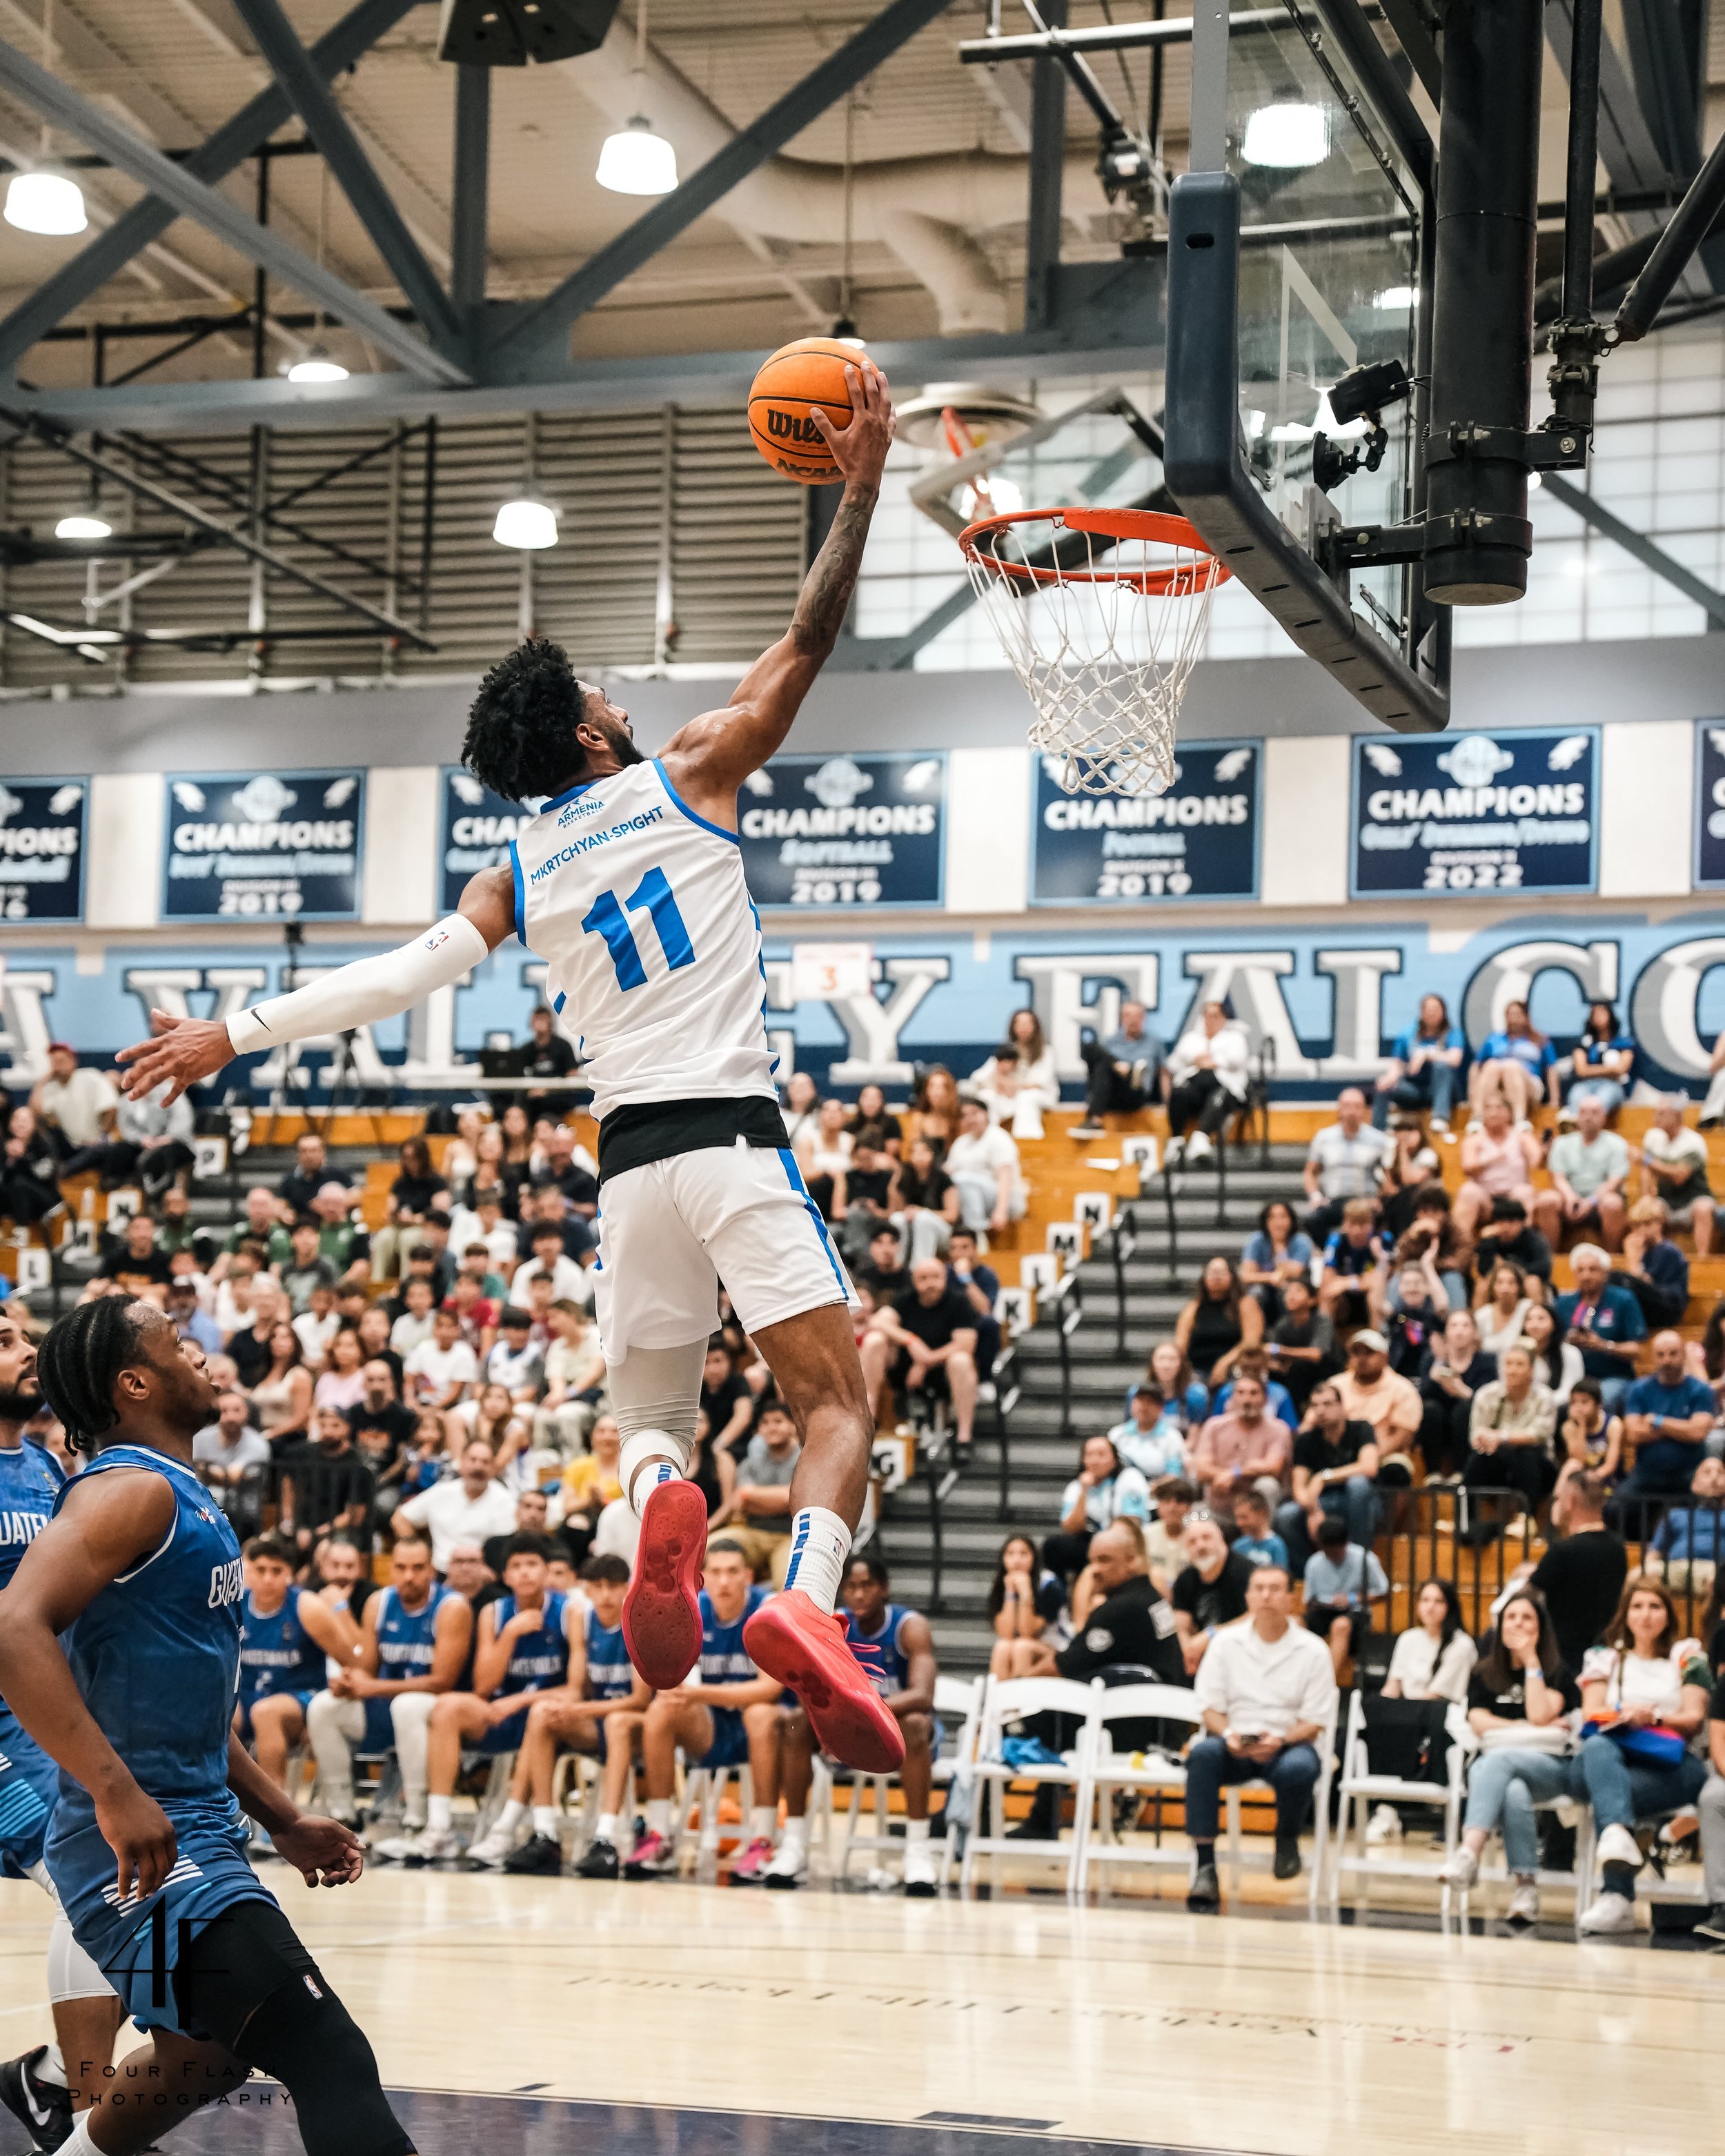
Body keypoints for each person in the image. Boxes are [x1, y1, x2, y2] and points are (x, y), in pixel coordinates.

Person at [118, 357, 900, 1775]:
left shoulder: (520, 864)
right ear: (597, 735)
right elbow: (810, 630)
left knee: (654, 1419)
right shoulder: (691, 767)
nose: (617, 691)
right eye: (605, 689)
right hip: (728, 1126)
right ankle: (801, 1591)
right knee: (836, 1406)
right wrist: (855, 485)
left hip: (623, 1169)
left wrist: (231, 1030)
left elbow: (407, 974)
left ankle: (662, 1491)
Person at [2, 1295, 415, 2156]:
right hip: (143, 1855)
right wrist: (114, 1792)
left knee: (209, 2056)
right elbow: (11, 1627)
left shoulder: (175, 1492)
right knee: (326, 2048)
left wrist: (284, 1817)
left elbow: (192, 1706)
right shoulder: (131, 1491)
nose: (203, 1359)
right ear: (136, 1381)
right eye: (179, 1348)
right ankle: (62, 2079)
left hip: (195, 1833)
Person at [0, 1307, 128, 2153]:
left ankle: (54, 2082)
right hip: (9, 1746)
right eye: (5, 1341)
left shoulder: (41, 1464)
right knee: (107, 1887)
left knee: (122, 1888)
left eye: (25, 1336)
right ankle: (77, 2102)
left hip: (52, 1728)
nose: (28, 1351)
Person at [373, 1532, 578, 1866]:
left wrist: (519, 1702)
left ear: (546, 1571)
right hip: (501, 1713)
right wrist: (510, 1633)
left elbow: (576, 1689)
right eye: (516, 1566)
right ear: (504, 1575)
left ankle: (504, 1832)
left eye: (533, 1565)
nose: (525, 1573)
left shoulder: (570, 1611)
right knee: (448, 1707)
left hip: (551, 1715)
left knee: (539, 1715)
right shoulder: (494, 1613)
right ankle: (438, 1829)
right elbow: (484, 1687)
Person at [771, 1555, 940, 1892]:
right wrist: (832, 1725)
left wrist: (866, 1714)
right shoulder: (832, 1624)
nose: (859, 1595)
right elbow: (810, 1688)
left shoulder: (910, 1627)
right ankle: (793, 1844)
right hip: (849, 1729)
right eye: (851, 1587)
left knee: (918, 1724)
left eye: (867, 1586)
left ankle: (918, 1849)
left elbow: (922, 1695)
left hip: (900, 1731)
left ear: (884, 1589)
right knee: (794, 1723)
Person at [624, 1540, 785, 1879]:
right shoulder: (692, 1610)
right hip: (713, 1727)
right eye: (715, 1572)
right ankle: (659, 1833)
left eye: (733, 1572)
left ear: (749, 1577)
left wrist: (700, 1693)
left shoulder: (768, 1609)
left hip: (768, 1729)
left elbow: (769, 1689)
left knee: (760, 1713)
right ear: (702, 1578)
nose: (724, 1581)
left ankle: (764, 1838)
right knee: (662, 1708)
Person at [1183, 1563, 1337, 1907]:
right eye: (1259, 1588)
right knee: (1203, 1755)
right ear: (1248, 1597)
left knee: (1299, 1768)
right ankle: (1205, 1865)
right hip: (1235, 1742)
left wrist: (1281, 1741)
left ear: (1291, 1598)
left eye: (1275, 1589)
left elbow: (1316, 1719)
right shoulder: (1225, 1644)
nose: (1266, 1595)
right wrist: (1229, 1735)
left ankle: (1287, 1837)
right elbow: (1208, 1706)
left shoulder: (1313, 1650)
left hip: (1288, 1743)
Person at [488, 1554, 649, 1879]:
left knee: (617, 1722)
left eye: (614, 1587)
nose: (606, 1595)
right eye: (598, 1587)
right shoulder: (582, 1621)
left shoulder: (640, 1621)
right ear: (586, 1589)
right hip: (597, 1722)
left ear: (628, 1589)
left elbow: (639, 1700)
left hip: (638, 1726)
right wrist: (569, 1707)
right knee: (543, 1714)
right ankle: (545, 1834)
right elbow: (577, 1688)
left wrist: (580, 1709)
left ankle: (606, 1838)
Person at [306, 1532, 472, 1839]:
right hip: (386, 1709)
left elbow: (442, 1681)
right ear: (391, 1569)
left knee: (407, 1705)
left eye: (418, 1568)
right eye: (402, 1568)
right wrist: (349, 1682)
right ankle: (344, 1812)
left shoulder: (452, 1608)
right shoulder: (378, 1603)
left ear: (432, 1570)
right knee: (323, 1707)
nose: (409, 1576)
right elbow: (366, 1669)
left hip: (435, 1714)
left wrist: (373, 1688)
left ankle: (417, 1814)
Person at [1570, 1575, 1711, 1934]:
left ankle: (1617, 1897)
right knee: (1599, 1747)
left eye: (1654, 1606)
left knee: (1608, 1793)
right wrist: (1624, 1714)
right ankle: (1619, 1854)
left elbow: (1694, 1718)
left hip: (1674, 1765)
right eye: (1637, 1606)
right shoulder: (1605, 1658)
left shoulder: (1687, 1656)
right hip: (1614, 1758)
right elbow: (1591, 1713)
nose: (1645, 1615)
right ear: (1625, 1614)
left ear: (1668, 1614)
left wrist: (1655, 1716)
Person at [1438, 1586, 1581, 1926]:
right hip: (1504, 1775)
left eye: (1527, 1618)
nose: (1518, 1624)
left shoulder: (1559, 1672)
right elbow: (1478, 1723)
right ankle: (1526, 1889)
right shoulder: (1483, 1673)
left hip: (1551, 1770)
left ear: (1540, 1628)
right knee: (1512, 1789)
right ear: (1500, 1627)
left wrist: (1532, 1662)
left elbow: (1536, 1714)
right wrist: (1530, 1729)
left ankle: (1469, 1851)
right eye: (1511, 1617)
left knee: (1496, 1761)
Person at [233, 1534, 360, 1807]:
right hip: (247, 1693)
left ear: (289, 1573)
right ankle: (219, 1806)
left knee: (266, 1712)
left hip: (300, 1697)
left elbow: (353, 1661)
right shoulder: (235, 1606)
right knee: (220, 1714)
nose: (268, 1579)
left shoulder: (307, 1607)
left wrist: (325, 1712)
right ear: (248, 1572)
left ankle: (276, 1809)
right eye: (261, 1570)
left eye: (276, 1571)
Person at [859, 1256, 980, 1451]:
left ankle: (964, 1437)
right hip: (905, 1369)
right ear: (915, 1281)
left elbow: (965, 1344)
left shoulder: (959, 1302)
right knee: (875, 1340)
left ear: (945, 1278)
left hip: (944, 1369)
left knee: (961, 1360)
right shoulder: (904, 1300)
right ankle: (868, 1419)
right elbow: (877, 1322)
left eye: (935, 1277)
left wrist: (926, 1361)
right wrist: (911, 1341)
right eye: (923, 1278)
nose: (930, 1283)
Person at [1617, 1327, 1719, 1527]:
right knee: (1615, 1510)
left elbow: (1698, 1433)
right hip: (1647, 1472)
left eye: (1673, 1354)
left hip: (1688, 1473)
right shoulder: (1638, 1389)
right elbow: (1634, 1434)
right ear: (1653, 1358)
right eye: (1661, 1355)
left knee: (1709, 1505)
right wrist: (1681, 1428)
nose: (1667, 1361)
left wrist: (1657, 1421)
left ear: (1683, 1355)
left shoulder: (1701, 1390)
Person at [1276, 1378, 1380, 1574]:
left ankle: (1361, 1562)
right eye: (1315, 1405)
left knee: (1358, 1485)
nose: (1321, 1411)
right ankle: (1307, 1574)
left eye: (1327, 1404)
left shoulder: (1361, 1429)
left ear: (1342, 1406)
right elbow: (1299, 1488)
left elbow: (1369, 1467)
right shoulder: (1306, 1440)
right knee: (1285, 1516)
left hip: (1361, 1502)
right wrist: (1312, 1510)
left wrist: (1323, 1477)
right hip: (1322, 1502)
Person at [706, 1401, 801, 1586]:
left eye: (778, 1421)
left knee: (788, 1582)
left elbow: (794, 1500)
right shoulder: (751, 1462)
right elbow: (740, 1501)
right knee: (707, 1548)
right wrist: (782, 1499)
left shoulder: (804, 1459)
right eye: (765, 1423)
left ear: (793, 1426)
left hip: (789, 1536)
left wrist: (755, 1498)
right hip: (752, 1532)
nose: (771, 1427)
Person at [391, 1437, 518, 1573]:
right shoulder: (441, 1492)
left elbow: (504, 1546)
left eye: (485, 1462)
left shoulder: (505, 1500)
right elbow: (399, 1519)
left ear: (493, 1467)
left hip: (482, 1576)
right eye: (473, 1460)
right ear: (461, 1462)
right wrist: (422, 1554)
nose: (478, 1467)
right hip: (440, 1573)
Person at [1187, 1371, 1292, 1523]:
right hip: (1216, 1511)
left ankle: (1262, 1540)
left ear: (1265, 1399)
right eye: (1240, 1393)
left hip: (1256, 1510)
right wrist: (1223, 1475)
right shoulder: (1214, 1426)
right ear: (1232, 1398)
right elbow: (1202, 1470)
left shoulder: (1279, 1429)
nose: (1247, 1400)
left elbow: (1273, 1468)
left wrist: (1235, 1474)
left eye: (1253, 1393)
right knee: (1189, 1520)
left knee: (1268, 1485)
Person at [1465, 1340, 1558, 1510]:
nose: (1512, 1370)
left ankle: (1526, 1519)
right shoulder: (1486, 1394)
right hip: (1498, 1461)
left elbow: (1539, 1434)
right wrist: (1482, 1439)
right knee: (1478, 1459)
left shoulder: (1544, 1396)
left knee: (1526, 1454)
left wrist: (1500, 1437)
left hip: (1539, 1464)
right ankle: (1464, 1521)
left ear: (1531, 1370)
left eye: (1519, 1364)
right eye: (1508, 1364)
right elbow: (1475, 1435)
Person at [1043, 1434, 1150, 1582]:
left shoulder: (1129, 1478)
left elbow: (1133, 1523)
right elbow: (1071, 1528)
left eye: (1101, 1455)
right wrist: (1084, 1491)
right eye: (1090, 1455)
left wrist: (1106, 1542)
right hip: (1092, 1543)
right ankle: (1062, 1595)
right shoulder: (1075, 1488)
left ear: (1114, 1460)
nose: (1095, 1460)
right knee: (1054, 1546)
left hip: (1124, 1541)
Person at [1534, 1094, 1631, 1255]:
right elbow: (1558, 1178)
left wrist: (1590, 1201)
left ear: (1604, 1117)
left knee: (1613, 1204)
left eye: (1594, 1113)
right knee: (1546, 1200)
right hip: (1569, 1199)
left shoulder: (1617, 1144)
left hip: (1600, 1200)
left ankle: (1611, 1257)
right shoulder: (1561, 1143)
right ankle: (1551, 1257)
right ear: (1577, 1117)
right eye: (1584, 1112)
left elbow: (1614, 1182)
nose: (1588, 1118)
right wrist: (1571, 1197)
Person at [1555, 1244, 1646, 1412]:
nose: (1586, 1276)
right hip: (1572, 1376)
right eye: (1580, 1270)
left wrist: (1602, 1345)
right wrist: (1568, 1340)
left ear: (1605, 1273)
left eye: (1593, 1270)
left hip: (1612, 1377)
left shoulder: (1623, 1300)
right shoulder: (1563, 1304)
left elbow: (1637, 1350)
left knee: (1598, 1403)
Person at [1163, 1000, 1249, 1165]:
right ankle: (1177, 1140)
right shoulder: (1191, 1038)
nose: (1211, 1020)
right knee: (1179, 1091)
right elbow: (1173, 1064)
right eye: (1207, 1016)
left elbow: (1237, 1059)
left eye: (1215, 1016)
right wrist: (1196, 1059)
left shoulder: (1235, 1038)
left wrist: (1213, 1061)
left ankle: (1201, 1138)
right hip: (1195, 1089)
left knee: (1217, 1093)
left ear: (1224, 1018)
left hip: (1225, 1087)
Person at [1301, 1514, 1388, 1678]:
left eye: (1337, 1553)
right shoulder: (1314, 1563)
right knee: (1296, 1624)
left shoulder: (1365, 1558)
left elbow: (1383, 1592)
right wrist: (1318, 1605)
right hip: (1324, 1611)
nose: (1332, 1557)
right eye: (1328, 1553)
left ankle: (1328, 1681)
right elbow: (1308, 1600)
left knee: (1340, 1625)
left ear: (1346, 1543)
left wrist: (1352, 1598)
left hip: (1356, 1613)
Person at [1170, 1512, 1254, 1675]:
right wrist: (1188, 1650)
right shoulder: (1185, 1578)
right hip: (1201, 1658)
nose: (1200, 1546)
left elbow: (1255, 1616)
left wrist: (1211, 1635)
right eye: (1192, 1542)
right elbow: (1181, 1624)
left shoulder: (1246, 1572)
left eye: (1206, 1538)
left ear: (1221, 1540)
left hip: (1242, 1652)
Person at [1302, 1088, 1393, 1241]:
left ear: (1365, 1110)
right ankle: (1334, 1254)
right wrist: (1315, 1196)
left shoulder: (1379, 1140)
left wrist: (1380, 1199)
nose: (1352, 1111)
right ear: (1339, 1109)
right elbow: (1310, 1173)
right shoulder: (1323, 1138)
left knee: (1389, 1217)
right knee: (1312, 1220)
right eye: (1347, 1106)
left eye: (1357, 1106)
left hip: (1366, 1201)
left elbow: (1388, 1176)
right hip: (1335, 1201)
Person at [1372, 993, 1465, 1133]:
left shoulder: (1453, 1033)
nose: (1432, 1013)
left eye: (1436, 1009)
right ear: (1422, 1012)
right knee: (1384, 1086)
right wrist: (1390, 1078)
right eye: (1429, 1009)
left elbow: (1455, 1059)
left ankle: (1440, 1117)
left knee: (1442, 1066)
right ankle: (1379, 1131)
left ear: (1444, 1012)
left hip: (1443, 1091)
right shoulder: (1408, 1033)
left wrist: (1427, 1055)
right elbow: (1398, 1063)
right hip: (1415, 1089)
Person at [1073, 998, 1163, 1139]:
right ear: (1121, 1019)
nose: (1133, 1020)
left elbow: (1164, 1073)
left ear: (1143, 1018)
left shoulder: (1154, 1043)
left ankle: (1135, 1074)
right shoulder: (1110, 1042)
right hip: (1112, 1094)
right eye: (1128, 1016)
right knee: (1095, 1055)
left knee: (1125, 1072)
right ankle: (1095, 1121)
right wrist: (1116, 1064)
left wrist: (1167, 1104)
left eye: (1137, 1016)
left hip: (1136, 1095)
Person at [1639, 1096, 1715, 1256]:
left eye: (1661, 1114)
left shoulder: (1694, 1142)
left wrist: (1646, 1161)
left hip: (1693, 1199)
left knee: (1704, 1207)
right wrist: (1646, 1198)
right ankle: (1654, 1258)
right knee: (1648, 1209)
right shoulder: (1653, 1137)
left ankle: (1703, 1260)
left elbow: (1680, 1177)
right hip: (1666, 1200)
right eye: (1655, 1113)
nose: (1656, 1118)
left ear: (1677, 1116)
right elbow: (1647, 1171)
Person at [1174, 1255, 1262, 1391]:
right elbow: (1180, 1347)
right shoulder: (1193, 1308)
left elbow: (1251, 1342)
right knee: (1195, 1393)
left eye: (1222, 1272)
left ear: (1232, 1276)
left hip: (1235, 1369)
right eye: (1213, 1272)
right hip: (1197, 1371)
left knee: (1228, 1391)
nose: (1217, 1276)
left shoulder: (1246, 1304)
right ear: (1204, 1278)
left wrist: (1224, 1363)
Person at [987, 1533, 1069, 1679]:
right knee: (1002, 1647)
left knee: (1022, 1647)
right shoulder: (1002, 1585)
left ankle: (1021, 1700)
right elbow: (1006, 1633)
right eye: (1010, 1554)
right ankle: (1000, 1701)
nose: (1016, 1560)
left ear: (1034, 1557)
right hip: (1021, 1645)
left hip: (1055, 1648)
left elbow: (1028, 1632)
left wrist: (1026, 1594)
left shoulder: (1049, 1584)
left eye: (1023, 1554)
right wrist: (1010, 1595)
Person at [28, 1043, 119, 1173]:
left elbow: (110, 1108)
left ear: (73, 1061)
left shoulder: (90, 1077)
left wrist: (102, 1135)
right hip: (70, 1146)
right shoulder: (52, 1089)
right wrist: (42, 1081)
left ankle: (65, 1170)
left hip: (97, 1143)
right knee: (48, 1131)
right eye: (53, 1062)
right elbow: (37, 1113)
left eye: (61, 1061)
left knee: (102, 1149)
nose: (57, 1065)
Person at [1382, 1579, 1477, 1702]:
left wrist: (1404, 1712)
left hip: (1442, 1714)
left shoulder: (1462, 1644)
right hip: (1408, 1711)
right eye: (1425, 1600)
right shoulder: (1407, 1638)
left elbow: (1436, 1695)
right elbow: (1393, 1686)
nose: (1430, 1607)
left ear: (1450, 1607)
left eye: (1439, 1601)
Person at [943, 1096, 1024, 1238]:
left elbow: (1006, 1176)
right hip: (971, 1198)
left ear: (985, 1114)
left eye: (974, 1113)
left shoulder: (998, 1137)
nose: (969, 1119)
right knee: (955, 1180)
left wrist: (1001, 1211)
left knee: (962, 1179)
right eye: (964, 1116)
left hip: (1004, 1198)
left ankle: (976, 1232)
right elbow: (948, 1174)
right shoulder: (961, 1142)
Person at [1334, 1329, 1423, 1456]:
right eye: (1356, 1352)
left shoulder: (1404, 1389)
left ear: (1385, 1357)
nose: (1362, 1359)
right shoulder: (1335, 1386)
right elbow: (1310, 1425)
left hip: (1384, 1456)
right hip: (1337, 1456)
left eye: (1369, 1352)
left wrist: (1368, 1460)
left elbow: (1403, 1436)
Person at [1470, 998, 1557, 1124]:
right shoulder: (1494, 1039)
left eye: (1517, 1015)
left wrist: (1555, 1100)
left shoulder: (1540, 1041)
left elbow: (1551, 1070)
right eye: (1509, 1015)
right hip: (1498, 1088)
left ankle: (1520, 1118)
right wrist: (1472, 1093)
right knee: (1491, 1065)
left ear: (1526, 1017)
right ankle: (1478, 1117)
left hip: (1530, 1084)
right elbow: (1475, 1067)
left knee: (1512, 1066)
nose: (1513, 1019)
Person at [1647, 1455, 1725, 1585]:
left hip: (1716, 1569)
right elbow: (1655, 1553)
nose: (1714, 1477)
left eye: (1721, 1472)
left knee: (1718, 1581)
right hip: (1675, 1568)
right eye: (1707, 1472)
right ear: (1694, 1485)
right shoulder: (1675, 1515)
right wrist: (1647, 1569)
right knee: (1638, 1575)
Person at [1265, 1275, 1339, 1414]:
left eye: (1298, 1291)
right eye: (1288, 1292)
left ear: (1312, 1300)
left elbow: (1316, 1355)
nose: (1291, 1296)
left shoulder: (1322, 1321)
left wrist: (1280, 1351)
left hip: (1324, 1374)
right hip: (1294, 1378)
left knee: (1299, 1369)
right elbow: (1274, 1361)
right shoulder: (1283, 1325)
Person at [1616, 1197, 1690, 1331]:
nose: (1642, 1230)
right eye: (1637, 1226)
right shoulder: (1645, 1250)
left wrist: (1633, 1259)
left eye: (1648, 1224)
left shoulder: (1667, 1250)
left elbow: (1647, 1284)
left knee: (1617, 1278)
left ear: (1659, 1223)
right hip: (1652, 1304)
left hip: (1668, 1306)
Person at [1238, 1199, 1315, 1323]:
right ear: (1265, 1221)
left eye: (1283, 1217)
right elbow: (1246, 1275)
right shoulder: (1256, 1240)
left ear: (1291, 1219)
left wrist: (1279, 1246)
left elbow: (1294, 1272)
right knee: (1255, 1294)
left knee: (1289, 1293)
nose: (1278, 1222)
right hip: (1263, 1287)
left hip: (1291, 1286)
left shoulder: (1302, 1241)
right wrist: (1270, 1278)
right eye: (1272, 1218)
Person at [1317, 1200, 1390, 1325]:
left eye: (1362, 1225)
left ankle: (1377, 1340)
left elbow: (1381, 1278)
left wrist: (1348, 1282)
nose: (1357, 1231)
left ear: (1371, 1224)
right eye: (1352, 1224)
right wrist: (1359, 1282)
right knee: (1326, 1295)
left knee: (1375, 1294)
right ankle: (1324, 1342)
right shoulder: (1336, 1241)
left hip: (1373, 1295)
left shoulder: (1383, 1239)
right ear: (1344, 1224)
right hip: (1345, 1300)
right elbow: (1328, 1281)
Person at [889, 1135, 958, 1264]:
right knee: (897, 1219)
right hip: (913, 1227)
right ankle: (898, 1265)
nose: (919, 1156)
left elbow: (952, 1215)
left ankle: (920, 1265)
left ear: (932, 1154)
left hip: (942, 1232)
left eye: (924, 1151)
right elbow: (895, 1210)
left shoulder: (943, 1178)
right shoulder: (906, 1177)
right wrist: (896, 1179)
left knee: (923, 1219)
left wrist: (922, 1211)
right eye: (915, 1152)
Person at [1561, 1000, 1635, 1122]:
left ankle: (1592, 1125)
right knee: (1576, 1095)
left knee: (1603, 1099)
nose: (1599, 1017)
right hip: (1586, 1085)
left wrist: (1592, 1070)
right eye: (1595, 1014)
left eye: (1602, 1012)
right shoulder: (1583, 1044)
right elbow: (1581, 1071)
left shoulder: (1623, 1043)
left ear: (1610, 1015)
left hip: (1614, 1085)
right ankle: (1574, 1124)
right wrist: (1610, 1070)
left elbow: (1622, 1068)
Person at [1109, 1383, 1186, 1482]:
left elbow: (1174, 1475)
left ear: (1161, 1408)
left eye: (1150, 1402)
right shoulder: (1116, 1434)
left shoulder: (1172, 1437)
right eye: (1140, 1400)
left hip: (1157, 1491)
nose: (1143, 1407)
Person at [1230, 1487, 1289, 1572]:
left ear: (1262, 1514)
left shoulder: (1276, 1546)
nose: (1239, 1524)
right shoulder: (1238, 1546)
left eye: (1244, 1517)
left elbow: (1280, 1576)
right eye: (1237, 1518)